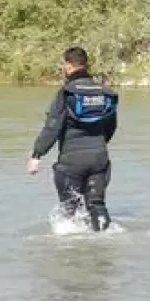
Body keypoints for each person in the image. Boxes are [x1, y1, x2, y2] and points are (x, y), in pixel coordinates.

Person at [26, 46, 118, 231]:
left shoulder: (66, 92)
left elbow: (52, 127)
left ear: (68, 66)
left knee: (69, 209)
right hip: (99, 158)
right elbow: (111, 126)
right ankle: (105, 238)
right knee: (96, 204)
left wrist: (37, 155)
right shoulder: (105, 93)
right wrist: (98, 144)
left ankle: (72, 245)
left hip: (71, 160)